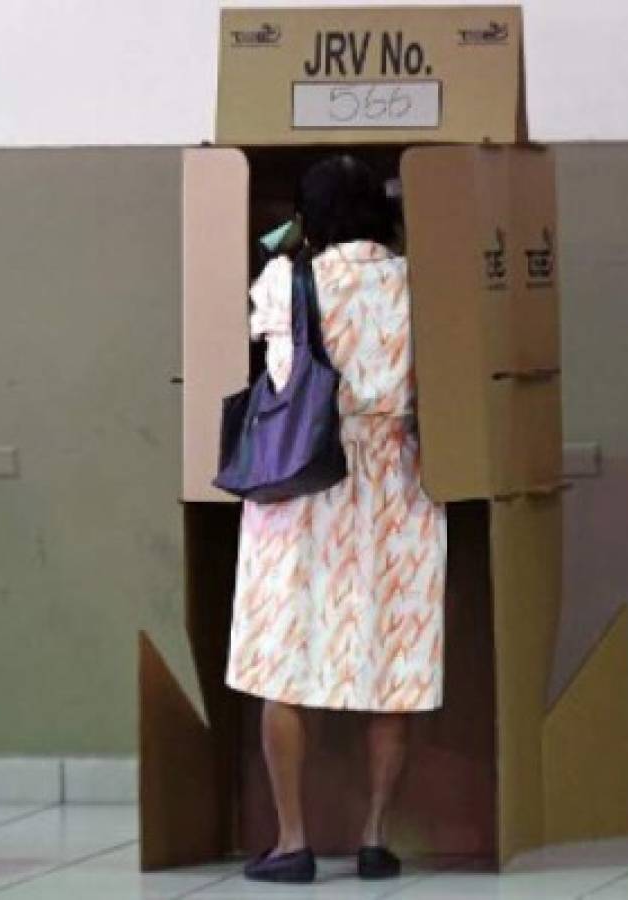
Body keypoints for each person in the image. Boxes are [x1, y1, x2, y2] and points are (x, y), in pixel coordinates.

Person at [224, 155, 446, 882]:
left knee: (284, 663)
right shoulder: (422, 283)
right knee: (394, 663)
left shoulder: (285, 283)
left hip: (304, 476)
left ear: (309, 216)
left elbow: (281, 375)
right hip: (396, 483)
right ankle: (376, 836)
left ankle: (293, 841)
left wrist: (286, 249)